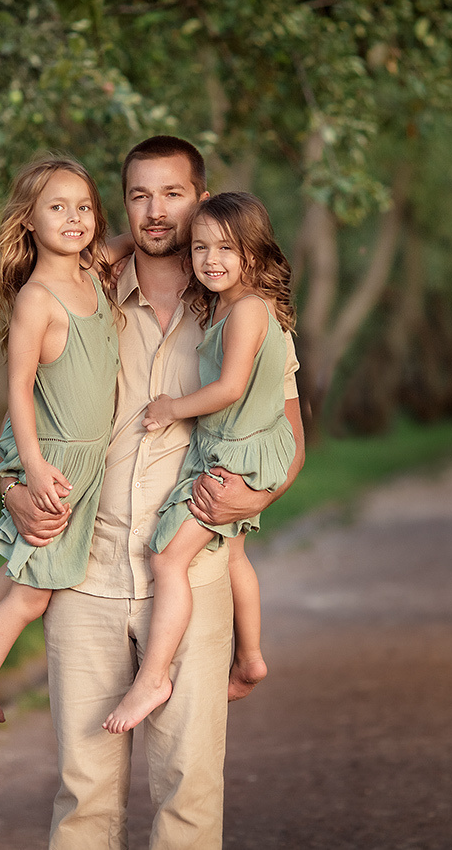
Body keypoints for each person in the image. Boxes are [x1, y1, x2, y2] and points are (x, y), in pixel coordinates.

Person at [2, 136, 305, 849]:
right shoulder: (84, 295)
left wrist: (258, 498)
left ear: (202, 200)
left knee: (189, 789)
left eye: (173, 194)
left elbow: (290, 433)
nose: (156, 211)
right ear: (123, 205)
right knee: (83, 791)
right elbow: (30, 414)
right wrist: (15, 487)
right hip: (87, 573)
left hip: (193, 572)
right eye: (139, 196)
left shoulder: (240, 306)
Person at [0, 155, 120, 787]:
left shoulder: (95, 274)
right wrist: (36, 468)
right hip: (54, 457)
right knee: (33, 593)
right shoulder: (37, 300)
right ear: (28, 221)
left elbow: (133, 243)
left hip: (83, 457)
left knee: (21, 566)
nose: (74, 218)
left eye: (84, 207)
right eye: (57, 207)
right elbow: (18, 389)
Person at [102, 191, 297, 735]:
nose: (211, 260)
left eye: (226, 249)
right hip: (234, 445)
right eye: (200, 248)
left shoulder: (249, 310)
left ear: (253, 253)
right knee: (233, 555)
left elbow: (230, 387)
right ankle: (250, 658)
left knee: (166, 558)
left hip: (236, 453)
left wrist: (171, 408)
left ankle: (153, 677)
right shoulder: (230, 305)